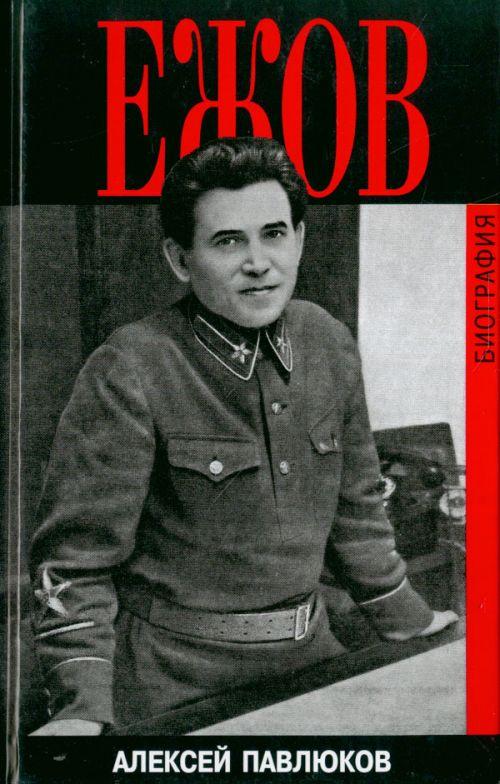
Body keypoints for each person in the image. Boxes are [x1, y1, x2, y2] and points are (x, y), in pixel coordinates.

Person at [30, 137, 457, 736]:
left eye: (273, 234)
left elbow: (357, 510)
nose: (258, 262)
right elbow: (74, 565)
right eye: (228, 241)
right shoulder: (129, 367)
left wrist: (408, 620)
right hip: (171, 686)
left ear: (299, 239)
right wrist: (81, 707)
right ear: (181, 259)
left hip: (312, 659)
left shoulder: (328, 341)